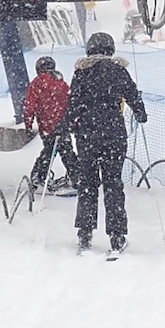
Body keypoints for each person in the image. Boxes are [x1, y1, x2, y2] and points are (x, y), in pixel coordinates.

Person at [59, 32, 146, 255]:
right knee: (113, 183)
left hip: (88, 135)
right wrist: (140, 113)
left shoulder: (82, 73)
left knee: (88, 183)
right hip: (114, 134)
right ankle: (117, 236)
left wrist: (65, 126)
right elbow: (133, 95)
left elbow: (74, 102)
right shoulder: (119, 71)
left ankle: (85, 234)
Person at [24, 55, 77, 188]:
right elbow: (71, 103)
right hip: (63, 124)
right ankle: (77, 177)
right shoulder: (62, 83)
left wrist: (28, 125)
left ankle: (38, 177)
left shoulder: (36, 83)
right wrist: (72, 123)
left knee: (48, 151)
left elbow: (29, 106)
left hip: (47, 125)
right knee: (66, 151)